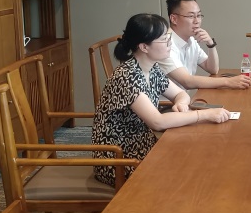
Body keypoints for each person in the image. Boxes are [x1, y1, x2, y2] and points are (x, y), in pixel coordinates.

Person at [92, 13, 230, 187]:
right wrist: (204, 115)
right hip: (118, 158)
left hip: (143, 145)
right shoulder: (127, 76)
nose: (169, 42)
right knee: (188, 171)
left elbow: (180, 94)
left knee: (196, 159)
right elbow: (157, 122)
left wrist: (181, 103)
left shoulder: (152, 68)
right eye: (164, 39)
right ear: (144, 47)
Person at [158, 0, 251, 90]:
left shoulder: (191, 40)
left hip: (183, 98)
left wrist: (210, 44)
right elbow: (187, 81)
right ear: (174, 19)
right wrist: (228, 82)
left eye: (199, 15)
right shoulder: (164, 44)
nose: (197, 21)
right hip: (168, 100)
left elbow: (213, 69)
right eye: (191, 16)